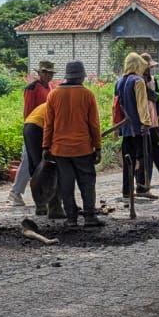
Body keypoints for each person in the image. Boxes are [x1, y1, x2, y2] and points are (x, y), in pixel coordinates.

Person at [43, 60, 102, 226]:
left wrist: (46, 146)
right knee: (87, 183)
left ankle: (71, 218)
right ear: (81, 76)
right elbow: (94, 125)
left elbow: (49, 124)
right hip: (83, 149)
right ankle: (89, 217)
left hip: (60, 150)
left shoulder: (53, 95)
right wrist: (97, 147)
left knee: (66, 184)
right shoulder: (87, 95)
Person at [8, 61, 56, 207]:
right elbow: (28, 112)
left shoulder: (51, 88)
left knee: (36, 161)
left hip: (45, 128)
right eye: (45, 72)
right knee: (29, 160)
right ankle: (16, 192)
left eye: (50, 73)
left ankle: (39, 194)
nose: (48, 76)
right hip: (33, 127)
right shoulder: (32, 88)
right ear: (39, 73)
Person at [114, 52, 152, 197]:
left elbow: (115, 106)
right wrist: (146, 123)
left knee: (127, 160)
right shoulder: (138, 81)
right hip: (139, 128)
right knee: (142, 158)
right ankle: (142, 188)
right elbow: (142, 105)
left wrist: (116, 127)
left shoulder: (119, 82)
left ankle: (127, 191)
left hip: (125, 128)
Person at [21, 96, 64, 218]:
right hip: (38, 128)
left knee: (37, 167)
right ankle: (54, 207)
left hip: (29, 126)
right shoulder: (63, 106)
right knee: (49, 166)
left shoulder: (58, 102)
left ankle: (42, 206)